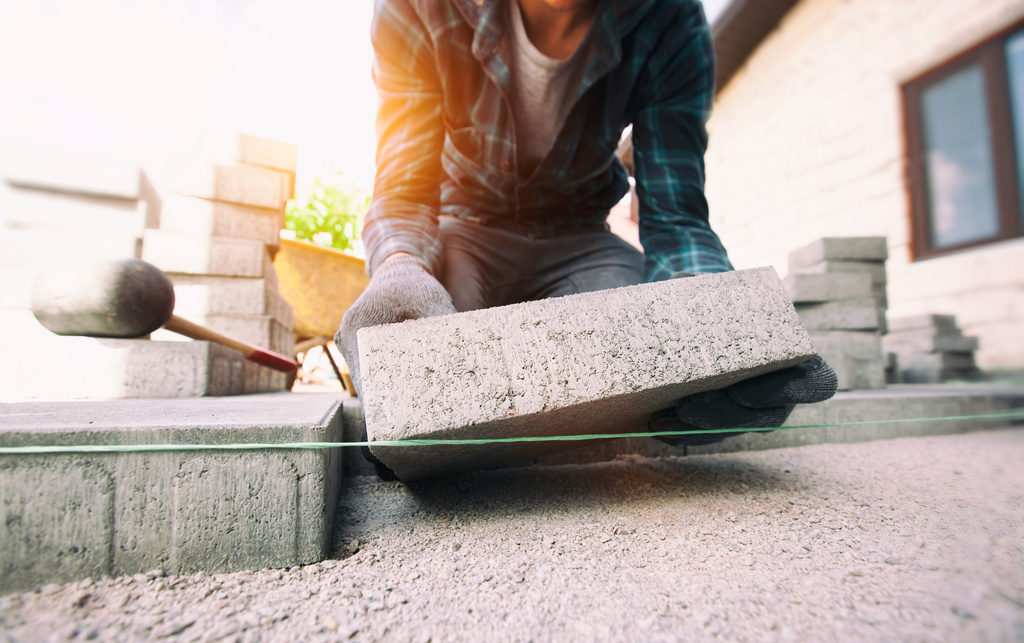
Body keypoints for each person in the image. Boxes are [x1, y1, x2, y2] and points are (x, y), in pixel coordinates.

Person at [337, 0, 837, 479]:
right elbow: (404, 191)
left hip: (581, 236)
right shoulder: (419, 5)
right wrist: (400, 266)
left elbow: (676, 217)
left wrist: (725, 331)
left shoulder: (670, 18)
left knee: (649, 348)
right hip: (466, 227)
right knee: (433, 372)